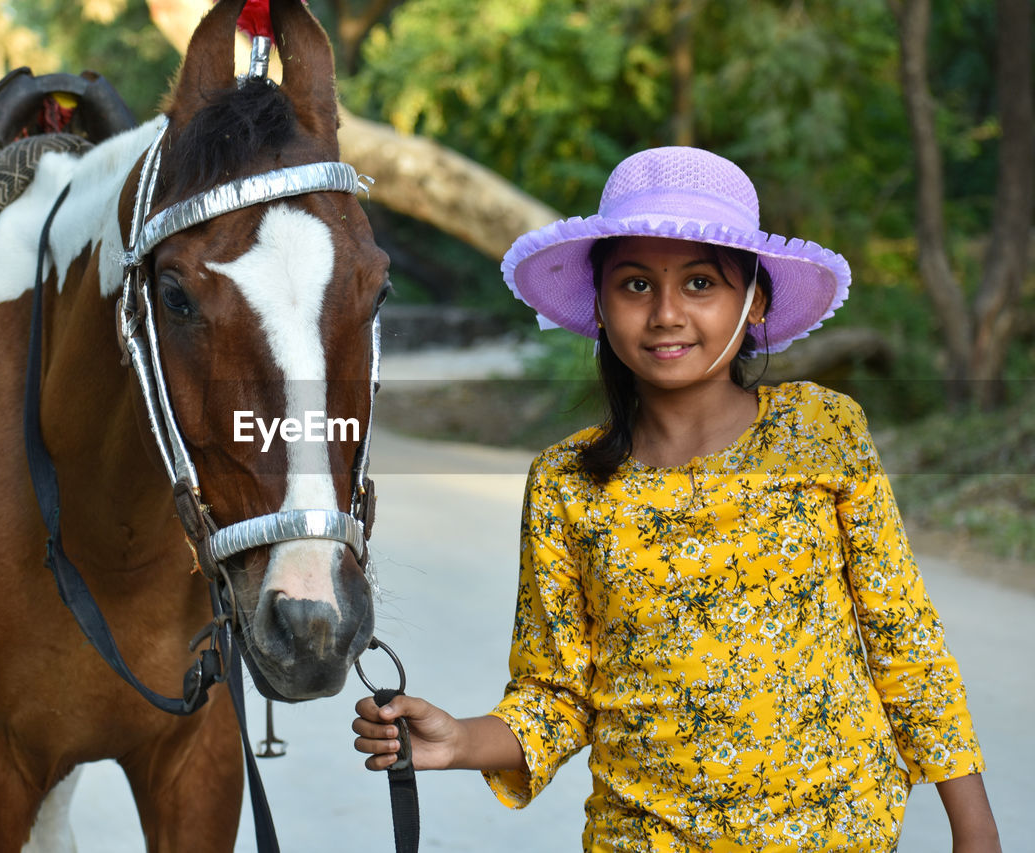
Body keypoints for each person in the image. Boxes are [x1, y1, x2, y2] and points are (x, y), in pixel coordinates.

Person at [352, 147, 1001, 851]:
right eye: (635, 285)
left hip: (836, 830)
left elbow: (905, 639)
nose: (665, 313)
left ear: (754, 301)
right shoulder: (565, 484)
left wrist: (975, 829)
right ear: (599, 304)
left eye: (699, 282)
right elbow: (557, 697)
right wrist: (459, 738)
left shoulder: (822, 431)